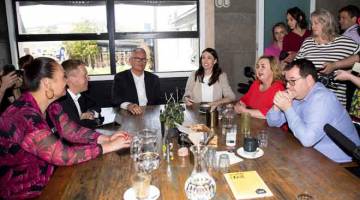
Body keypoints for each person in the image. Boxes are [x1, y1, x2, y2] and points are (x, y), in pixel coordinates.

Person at [0, 57, 132, 199]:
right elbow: (62, 155)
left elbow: (71, 130)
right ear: (47, 83)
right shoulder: (22, 116)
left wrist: (106, 138)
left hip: (52, 179)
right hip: (27, 193)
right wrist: (109, 146)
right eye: (63, 77)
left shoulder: (52, 106)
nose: (66, 81)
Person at [266, 59, 360, 163]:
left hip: (339, 165)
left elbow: (307, 140)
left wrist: (287, 108)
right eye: (287, 81)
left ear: (309, 80)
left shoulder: (323, 98)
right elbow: (272, 123)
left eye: (292, 81)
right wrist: (277, 106)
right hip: (311, 154)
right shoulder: (297, 95)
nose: (288, 86)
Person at [296, 9, 360, 108]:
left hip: (335, 102)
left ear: (326, 23)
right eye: (311, 23)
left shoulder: (345, 42)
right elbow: (296, 66)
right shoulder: (307, 42)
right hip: (309, 101)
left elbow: (358, 58)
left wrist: (339, 67)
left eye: (316, 23)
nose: (312, 27)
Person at [112, 48, 161, 115]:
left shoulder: (154, 79)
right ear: (130, 61)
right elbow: (116, 100)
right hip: (129, 115)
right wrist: (128, 106)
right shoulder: (121, 78)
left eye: (144, 59)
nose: (141, 62)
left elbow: (158, 101)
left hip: (150, 114)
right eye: (138, 59)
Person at [58, 59, 102, 129]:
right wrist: (84, 119)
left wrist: (91, 113)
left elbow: (95, 106)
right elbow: (76, 129)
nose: (89, 78)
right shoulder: (61, 103)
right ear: (71, 79)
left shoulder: (81, 95)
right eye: (85, 75)